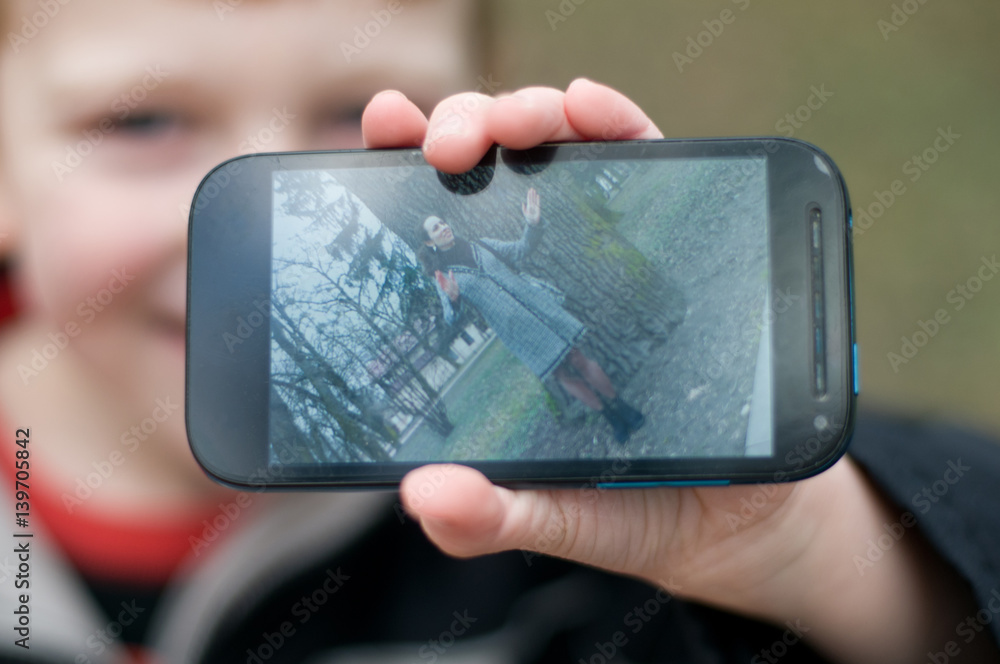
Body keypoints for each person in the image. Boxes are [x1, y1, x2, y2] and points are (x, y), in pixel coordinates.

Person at [0, 1, 997, 663]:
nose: (258, 229)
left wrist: (813, 561)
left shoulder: (561, 554)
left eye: (352, 105)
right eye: (140, 122)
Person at [417, 189, 645, 443]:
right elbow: (451, 319)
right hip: (516, 332)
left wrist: (532, 225)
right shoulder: (443, 276)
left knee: (578, 359)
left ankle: (621, 407)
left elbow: (521, 249)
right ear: (430, 242)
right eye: (435, 229)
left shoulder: (480, 244)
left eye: (442, 223)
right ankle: (610, 418)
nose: (442, 228)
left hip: (540, 309)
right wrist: (454, 298)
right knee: (561, 374)